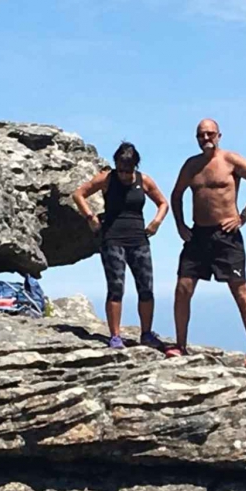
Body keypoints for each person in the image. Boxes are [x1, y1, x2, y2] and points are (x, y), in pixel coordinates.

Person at [166, 118, 246, 367]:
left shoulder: (230, 160)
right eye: (201, 135)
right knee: (183, 288)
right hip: (198, 235)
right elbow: (176, 193)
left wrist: (243, 215)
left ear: (219, 135)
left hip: (226, 236)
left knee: (240, 290)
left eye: (210, 134)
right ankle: (180, 345)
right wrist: (180, 225)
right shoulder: (191, 165)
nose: (206, 138)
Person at [71, 141, 171, 348]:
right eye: (121, 169)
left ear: (135, 166)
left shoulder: (144, 181)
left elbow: (163, 202)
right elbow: (79, 194)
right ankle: (115, 336)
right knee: (116, 288)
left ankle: (146, 333)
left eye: (128, 170)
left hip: (139, 240)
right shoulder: (107, 179)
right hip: (112, 240)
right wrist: (90, 217)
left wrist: (156, 222)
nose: (124, 174)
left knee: (146, 288)